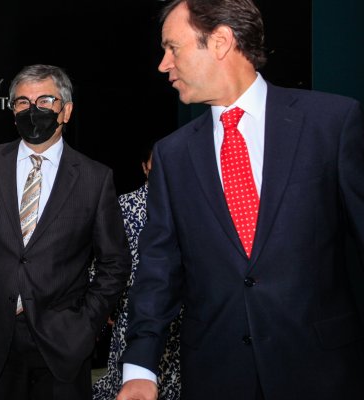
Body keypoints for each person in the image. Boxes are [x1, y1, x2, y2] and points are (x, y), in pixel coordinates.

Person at [117, 0, 364, 399]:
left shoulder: (331, 123)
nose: (164, 64)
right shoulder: (172, 155)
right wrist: (140, 367)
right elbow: (158, 270)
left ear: (220, 41)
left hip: (324, 373)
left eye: (172, 48)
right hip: (217, 376)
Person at [0, 64, 131, 400]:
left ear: (66, 111)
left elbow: (114, 261)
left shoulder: (95, 177)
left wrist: (87, 323)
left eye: (45, 101)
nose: (33, 110)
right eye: (22, 102)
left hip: (64, 339)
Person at [93, 146, 182, 400]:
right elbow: (103, 260)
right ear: (145, 168)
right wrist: (105, 305)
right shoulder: (122, 206)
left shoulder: (187, 206)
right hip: (132, 315)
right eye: (156, 165)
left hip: (180, 320)